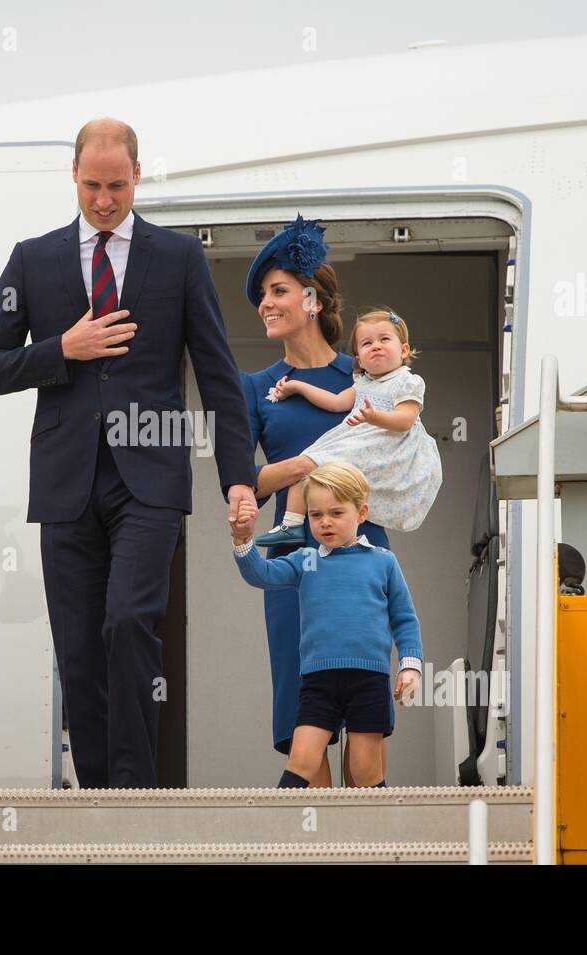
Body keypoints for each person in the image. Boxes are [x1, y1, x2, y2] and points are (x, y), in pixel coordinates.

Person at [0, 118, 257, 788]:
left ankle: (132, 794)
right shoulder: (31, 259)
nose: (104, 199)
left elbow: (217, 373)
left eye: (118, 185)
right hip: (66, 482)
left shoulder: (178, 258)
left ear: (137, 175)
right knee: (77, 651)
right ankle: (96, 797)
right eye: (93, 185)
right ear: (74, 175)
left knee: (128, 622)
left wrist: (238, 479)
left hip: (148, 480)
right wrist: (60, 350)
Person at [240, 215, 394, 782]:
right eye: (262, 295)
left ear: (310, 299)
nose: (266, 304)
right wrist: (307, 466)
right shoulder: (255, 387)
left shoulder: (367, 370)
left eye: (277, 291)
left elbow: (405, 445)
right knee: (305, 722)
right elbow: (244, 483)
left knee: (366, 726)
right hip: (291, 560)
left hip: (362, 552)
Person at [230, 463, 423, 787]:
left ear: (361, 513)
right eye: (316, 515)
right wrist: (242, 539)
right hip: (319, 682)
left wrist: (410, 666)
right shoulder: (306, 559)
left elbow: (404, 618)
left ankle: (379, 835)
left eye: (336, 513)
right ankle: (275, 831)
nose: (325, 522)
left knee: (364, 770)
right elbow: (260, 574)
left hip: (369, 680)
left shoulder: (382, 561)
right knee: (302, 760)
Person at [254, 306, 442, 546]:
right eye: (366, 343)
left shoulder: (406, 381)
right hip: (358, 441)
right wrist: (298, 387)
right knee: (310, 464)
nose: (376, 345)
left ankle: (318, 526)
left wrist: (373, 417)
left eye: (384, 339)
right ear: (359, 359)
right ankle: (291, 524)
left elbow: (405, 420)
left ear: (403, 350)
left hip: (385, 447)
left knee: (313, 465)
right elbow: (334, 403)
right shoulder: (362, 384)